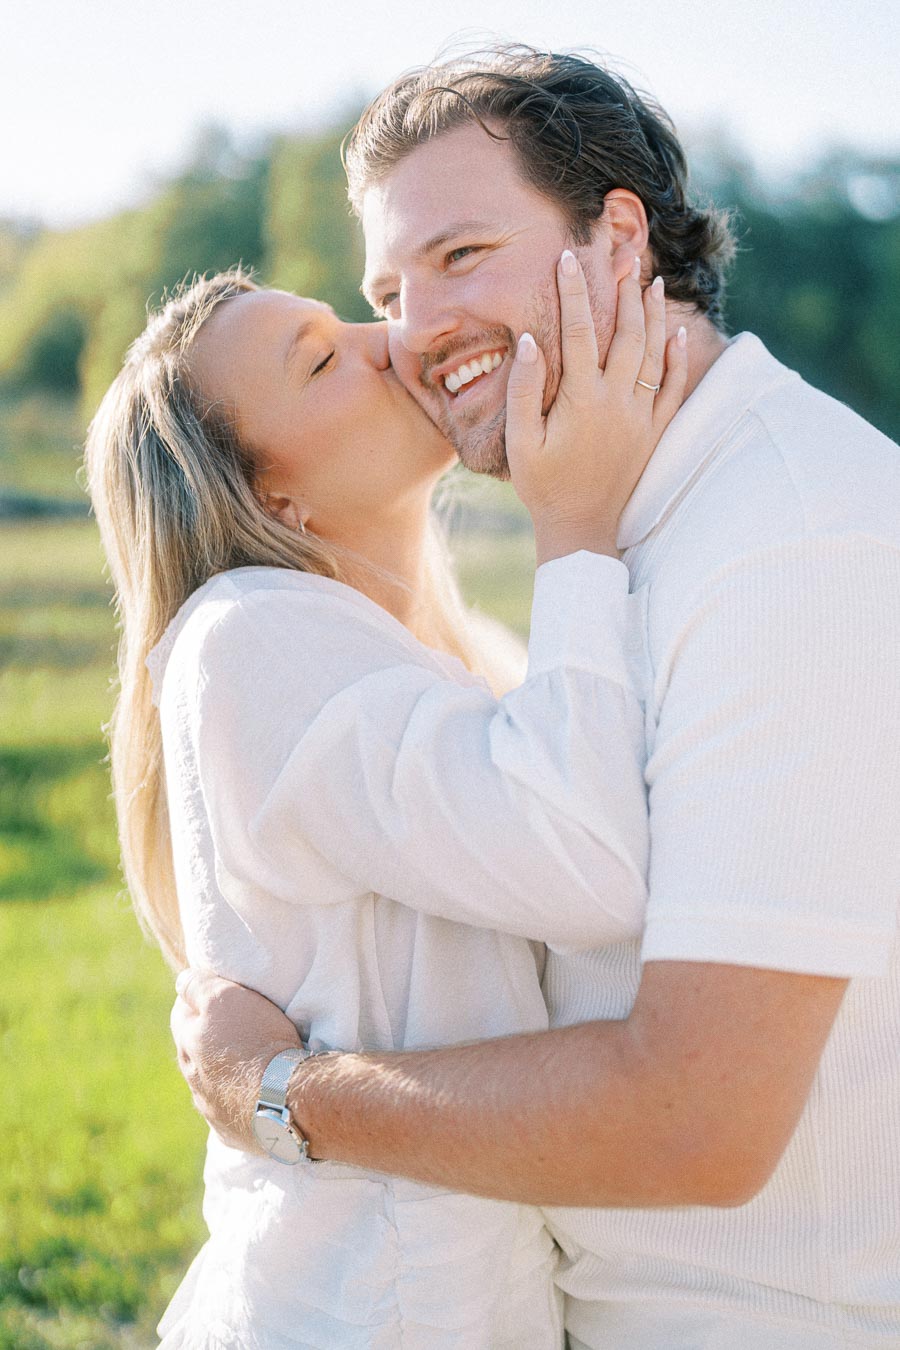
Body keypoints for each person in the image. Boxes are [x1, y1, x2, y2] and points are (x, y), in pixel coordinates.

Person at [173, 47, 900, 1350]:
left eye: (461, 256)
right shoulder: (635, 526)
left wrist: (281, 1090)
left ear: (618, 240)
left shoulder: (793, 543)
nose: (413, 332)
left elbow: (697, 1120)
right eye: (387, 291)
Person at [85, 247, 687, 1349]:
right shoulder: (252, 633)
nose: (391, 343)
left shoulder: (461, 655)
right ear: (271, 494)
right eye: (322, 362)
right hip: (355, 1313)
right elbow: (591, 865)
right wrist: (576, 517)